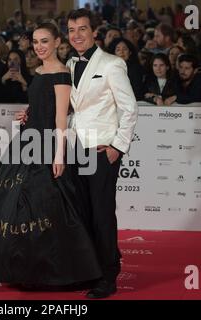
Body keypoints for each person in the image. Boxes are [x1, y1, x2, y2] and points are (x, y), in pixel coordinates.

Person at [0, 23, 102, 287]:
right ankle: (20, 268)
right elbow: (43, 103)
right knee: (17, 206)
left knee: (46, 206)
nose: (39, 47)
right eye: (36, 42)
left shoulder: (61, 74)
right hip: (28, 139)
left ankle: (51, 271)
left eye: (45, 42)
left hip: (49, 144)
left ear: (57, 42)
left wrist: (59, 156)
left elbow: (62, 118)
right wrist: (29, 112)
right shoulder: (37, 71)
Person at [66, 9, 138, 298]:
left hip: (100, 150)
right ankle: (90, 269)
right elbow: (71, 107)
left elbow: (129, 108)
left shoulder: (112, 63)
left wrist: (118, 147)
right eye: (72, 30)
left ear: (94, 31)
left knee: (102, 214)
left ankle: (108, 275)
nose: (77, 35)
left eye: (82, 29)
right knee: (82, 214)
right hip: (76, 149)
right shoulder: (69, 64)